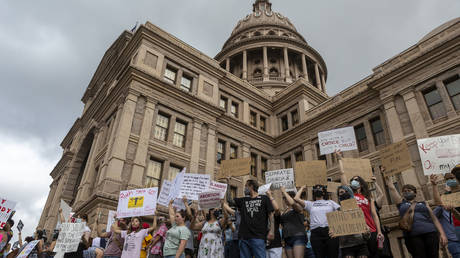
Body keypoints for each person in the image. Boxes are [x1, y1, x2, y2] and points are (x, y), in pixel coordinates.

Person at [385, 174, 447, 258]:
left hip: (430, 233)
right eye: (404, 191)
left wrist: (442, 234)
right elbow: (392, 188)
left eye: (409, 190)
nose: (406, 192)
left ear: (415, 193)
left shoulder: (424, 203)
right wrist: (386, 176)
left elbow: (434, 219)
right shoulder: (401, 203)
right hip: (413, 236)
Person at [337, 151, 384, 258]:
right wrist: (339, 159)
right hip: (357, 232)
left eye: (357, 180)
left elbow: (374, 214)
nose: (354, 182)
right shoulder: (349, 195)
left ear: (361, 184)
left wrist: (379, 231)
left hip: (371, 230)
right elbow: (342, 174)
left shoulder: (368, 197)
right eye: (353, 180)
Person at [294, 184, 339, 258]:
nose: (318, 191)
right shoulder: (310, 204)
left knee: (333, 255)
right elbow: (296, 198)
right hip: (316, 233)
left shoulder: (331, 202)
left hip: (330, 231)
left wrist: (337, 229)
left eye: (320, 189)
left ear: (324, 192)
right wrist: (302, 187)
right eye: (316, 190)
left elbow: (341, 213)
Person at [233, 179, 275, 258]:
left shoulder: (264, 198)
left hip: (258, 237)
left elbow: (271, 215)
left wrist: (271, 231)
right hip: (244, 237)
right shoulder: (244, 200)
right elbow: (229, 200)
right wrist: (228, 183)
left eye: (246, 186)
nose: (244, 188)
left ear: (251, 186)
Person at [431, 174, 460, 258]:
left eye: (452, 178)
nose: (450, 181)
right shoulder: (443, 205)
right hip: (454, 241)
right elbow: (438, 202)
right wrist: (434, 185)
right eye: (447, 179)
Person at [336, 185, 369, 258]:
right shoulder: (337, 212)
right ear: (338, 196)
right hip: (347, 246)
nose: (344, 193)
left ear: (349, 193)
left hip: (360, 244)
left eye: (346, 191)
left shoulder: (357, 208)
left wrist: (367, 232)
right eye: (341, 192)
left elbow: (365, 228)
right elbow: (338, 231)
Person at [279, 187, 305, 258]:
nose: (285, 199)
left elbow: (292, 203)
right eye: (284, 198)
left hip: (298, 237)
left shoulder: (298, 206)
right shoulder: (284, 211)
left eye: (286, 197)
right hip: (287, 238)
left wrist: (284, 192)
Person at [265, 190, 283, 258]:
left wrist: (270, 196)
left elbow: (277, 209)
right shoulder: (261, 216)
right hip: (264, 246)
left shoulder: (275, 215)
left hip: (275, 245)